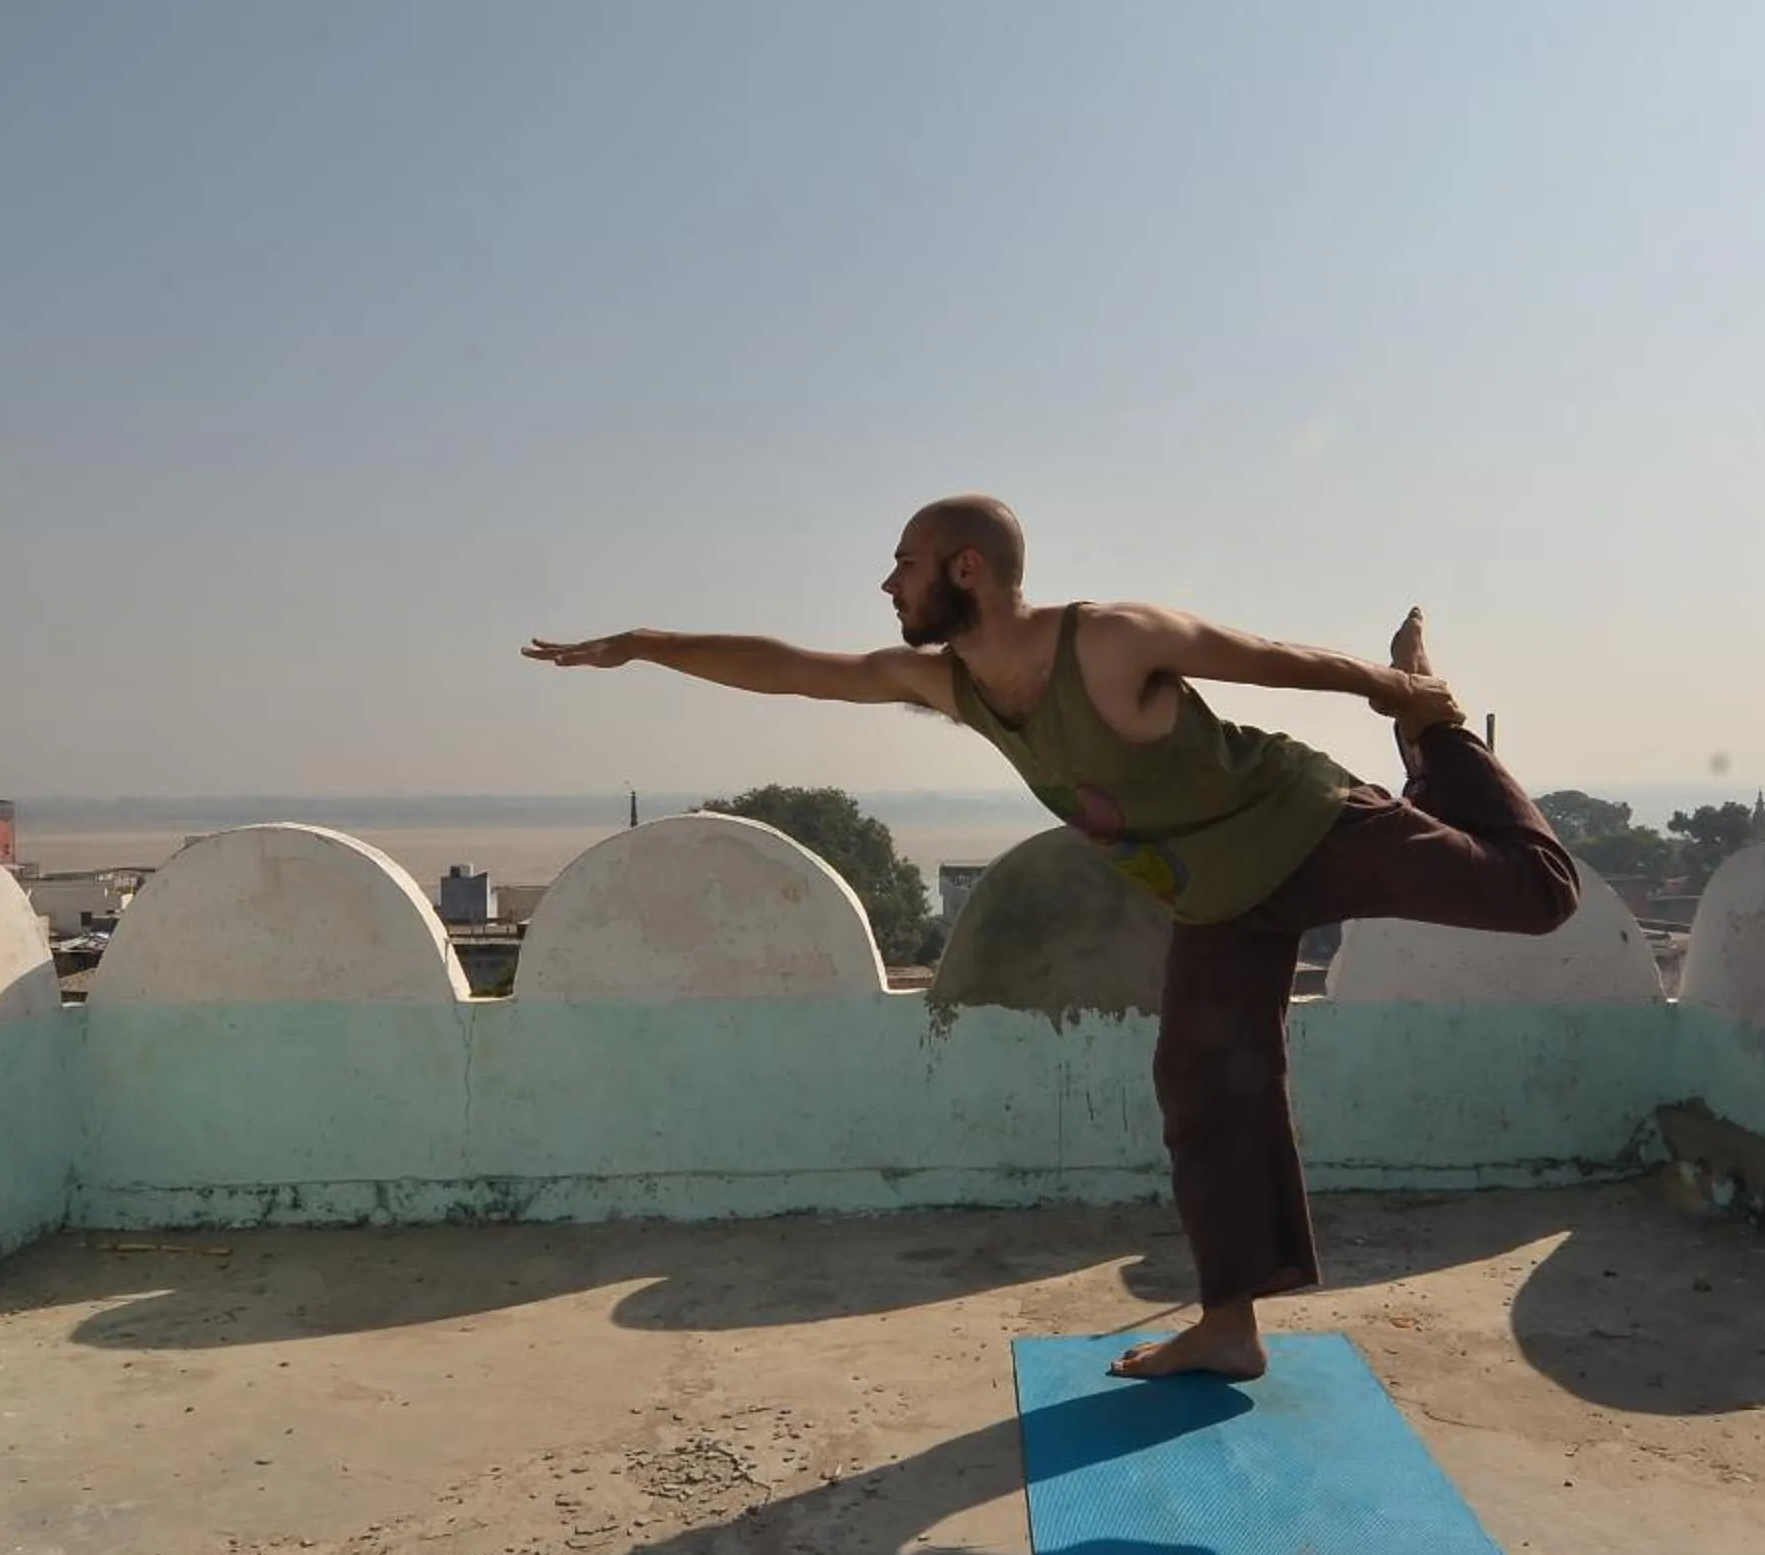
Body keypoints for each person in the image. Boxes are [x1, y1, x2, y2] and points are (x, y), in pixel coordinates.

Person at [525, 494, 1578, 1379]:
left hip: (1304, 822)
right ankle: (1229, 1326)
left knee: (1536, 892)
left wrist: (1398, 693)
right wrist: (650, 645)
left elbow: (1260, 655)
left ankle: (1434, 745)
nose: (888, 585)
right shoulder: (954, 684)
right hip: (1215, 897)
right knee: (1202, 1086)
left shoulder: (1107, 638)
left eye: (904, 564)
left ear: (966, 568)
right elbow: (796, 667)